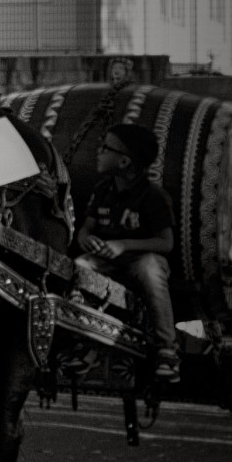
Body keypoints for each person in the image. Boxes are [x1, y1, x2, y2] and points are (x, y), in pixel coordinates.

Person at [75, 122, 179, 381]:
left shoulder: (153, 195)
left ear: (124, 162)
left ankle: (167, 348)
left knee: (151, 270)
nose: (99, 151)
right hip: (107, 261)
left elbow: (166, 243)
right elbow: (85, 230)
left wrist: (125, 245)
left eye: (105, 147)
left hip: (139, 259)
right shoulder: (103, 190)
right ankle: (87, 339)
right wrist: (87, 240)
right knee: (81, 265)